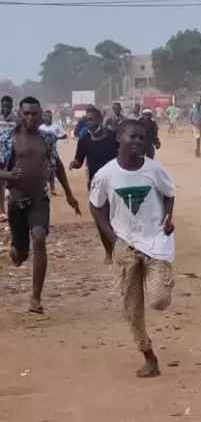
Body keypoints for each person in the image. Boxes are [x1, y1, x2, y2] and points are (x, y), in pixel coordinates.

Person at [89, 119, 176, 378]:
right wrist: (112, 237)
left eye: (142, 138)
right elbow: (96, 206)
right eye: (132, 137)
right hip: (124, 246)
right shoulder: (105, 175)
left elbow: (169, 193)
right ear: (119, 138)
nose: (137, 142)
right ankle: (148, 356)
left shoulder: (154, 169)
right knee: (132, 308)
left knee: (159, 300)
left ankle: (163, 280)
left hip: (155, 242)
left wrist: (168, 217)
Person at [0, 96, 81, 314]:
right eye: (26, 113)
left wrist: (69, 195)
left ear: (40, 113)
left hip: (39, 199)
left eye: (34, 113)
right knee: (21, 255)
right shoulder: (7, 138)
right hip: (16, 201)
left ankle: (35, 298)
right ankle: (16, 251)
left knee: (39, 239)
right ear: (19, 113)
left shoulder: (47, 138)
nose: (30, 117)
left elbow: (58, 166)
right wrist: (7, 173)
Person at [70, 106, 119, 262]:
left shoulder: (112, 137)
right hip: (95, 185)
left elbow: (122, 155)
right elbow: (79, 159)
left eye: (91, 119)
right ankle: (109, 251)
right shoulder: (84, 140)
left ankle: (122, 248)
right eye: (86, 120)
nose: (88, 122)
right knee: (100, 220)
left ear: (99, 119)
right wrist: (75, 163)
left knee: (117, 218)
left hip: (116, 182)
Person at [39, 110, 67, 195]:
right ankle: (42, 188)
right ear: (43, 117)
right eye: (46, 116)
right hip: (42, 152)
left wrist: (56, 137)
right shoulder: (41, 127)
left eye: (49, 116)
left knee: (52, 170)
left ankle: (52, 188)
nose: (48, 118)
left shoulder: (56, 126)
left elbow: (65, 135)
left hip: (52, 152)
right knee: (42, 170)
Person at [1, 96, 19, 223]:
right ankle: (2, 211)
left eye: (8, 106)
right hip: (0, 153)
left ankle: (14, 210)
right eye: (4, 106)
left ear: (12, 106)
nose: (5, 108)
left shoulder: (16, 120)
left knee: (12, 181)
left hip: (12, 153)